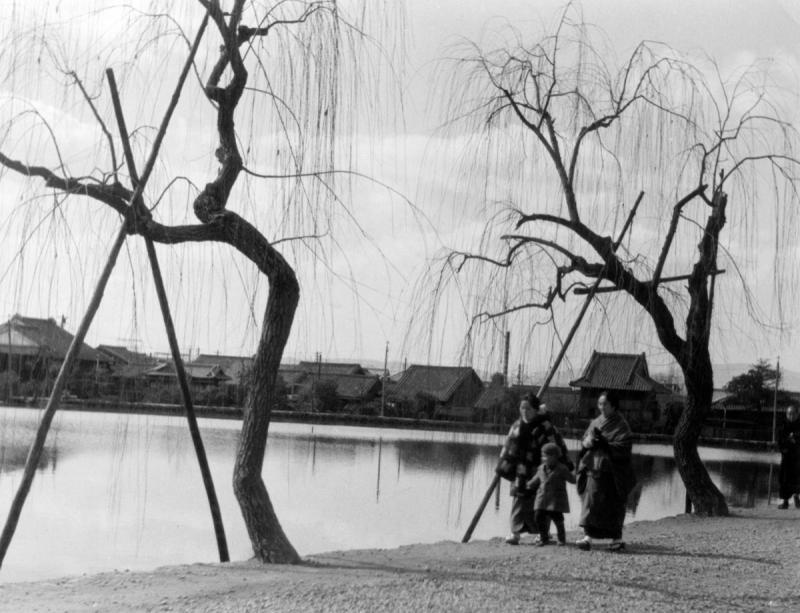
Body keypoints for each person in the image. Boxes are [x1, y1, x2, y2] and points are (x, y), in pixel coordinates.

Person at [495, 393, 571, 545]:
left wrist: (558, 465)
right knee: (519, 500)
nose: (524, 411)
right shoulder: (517, 425)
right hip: (521, 470)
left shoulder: (546, 426)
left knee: (543, 502)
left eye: (528, 409)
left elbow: (555, 447)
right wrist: (503, 466)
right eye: (522, 408)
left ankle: (543, 533)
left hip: (541, 470)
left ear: (536, 410)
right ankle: (515, 533)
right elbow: (508, 447)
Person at [575, 390, 636, 552]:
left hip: (612, 472)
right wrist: (588, 442)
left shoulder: (621, 425)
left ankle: (616, 539)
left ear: (614, 406)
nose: (602, 407)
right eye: (600, 404)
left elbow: (624, 447)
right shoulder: (596, 422)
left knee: (613, 505)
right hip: (594, 469)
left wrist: (606, 445)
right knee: (591, 502)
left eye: (605, 404)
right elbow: (585, 440)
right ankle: (588, 537)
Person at [526, 442, 576, 546]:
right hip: (542, 499)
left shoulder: (562, 468)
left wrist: (578, 475)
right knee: (538, 516)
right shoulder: (541, 468)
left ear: (554, 456)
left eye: (545, 456)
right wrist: (528, 485)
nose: (543, 458)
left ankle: (561, 539)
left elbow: (572, 479)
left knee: (558, 519)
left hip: (556, 500)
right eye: (543, 456)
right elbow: (535, 480)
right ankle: (544, 538)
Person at [777, 405, 800, 509]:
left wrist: (795, 439)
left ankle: (797, 497)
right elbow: (780, 441)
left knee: (797, 478)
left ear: (797, 414)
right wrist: (788, 441)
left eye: (793, 413)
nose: (791, 416)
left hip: (798, 456)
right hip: (786, 456)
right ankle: (785, 501)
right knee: (784, 478)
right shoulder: (783, 426)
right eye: (789, 413)